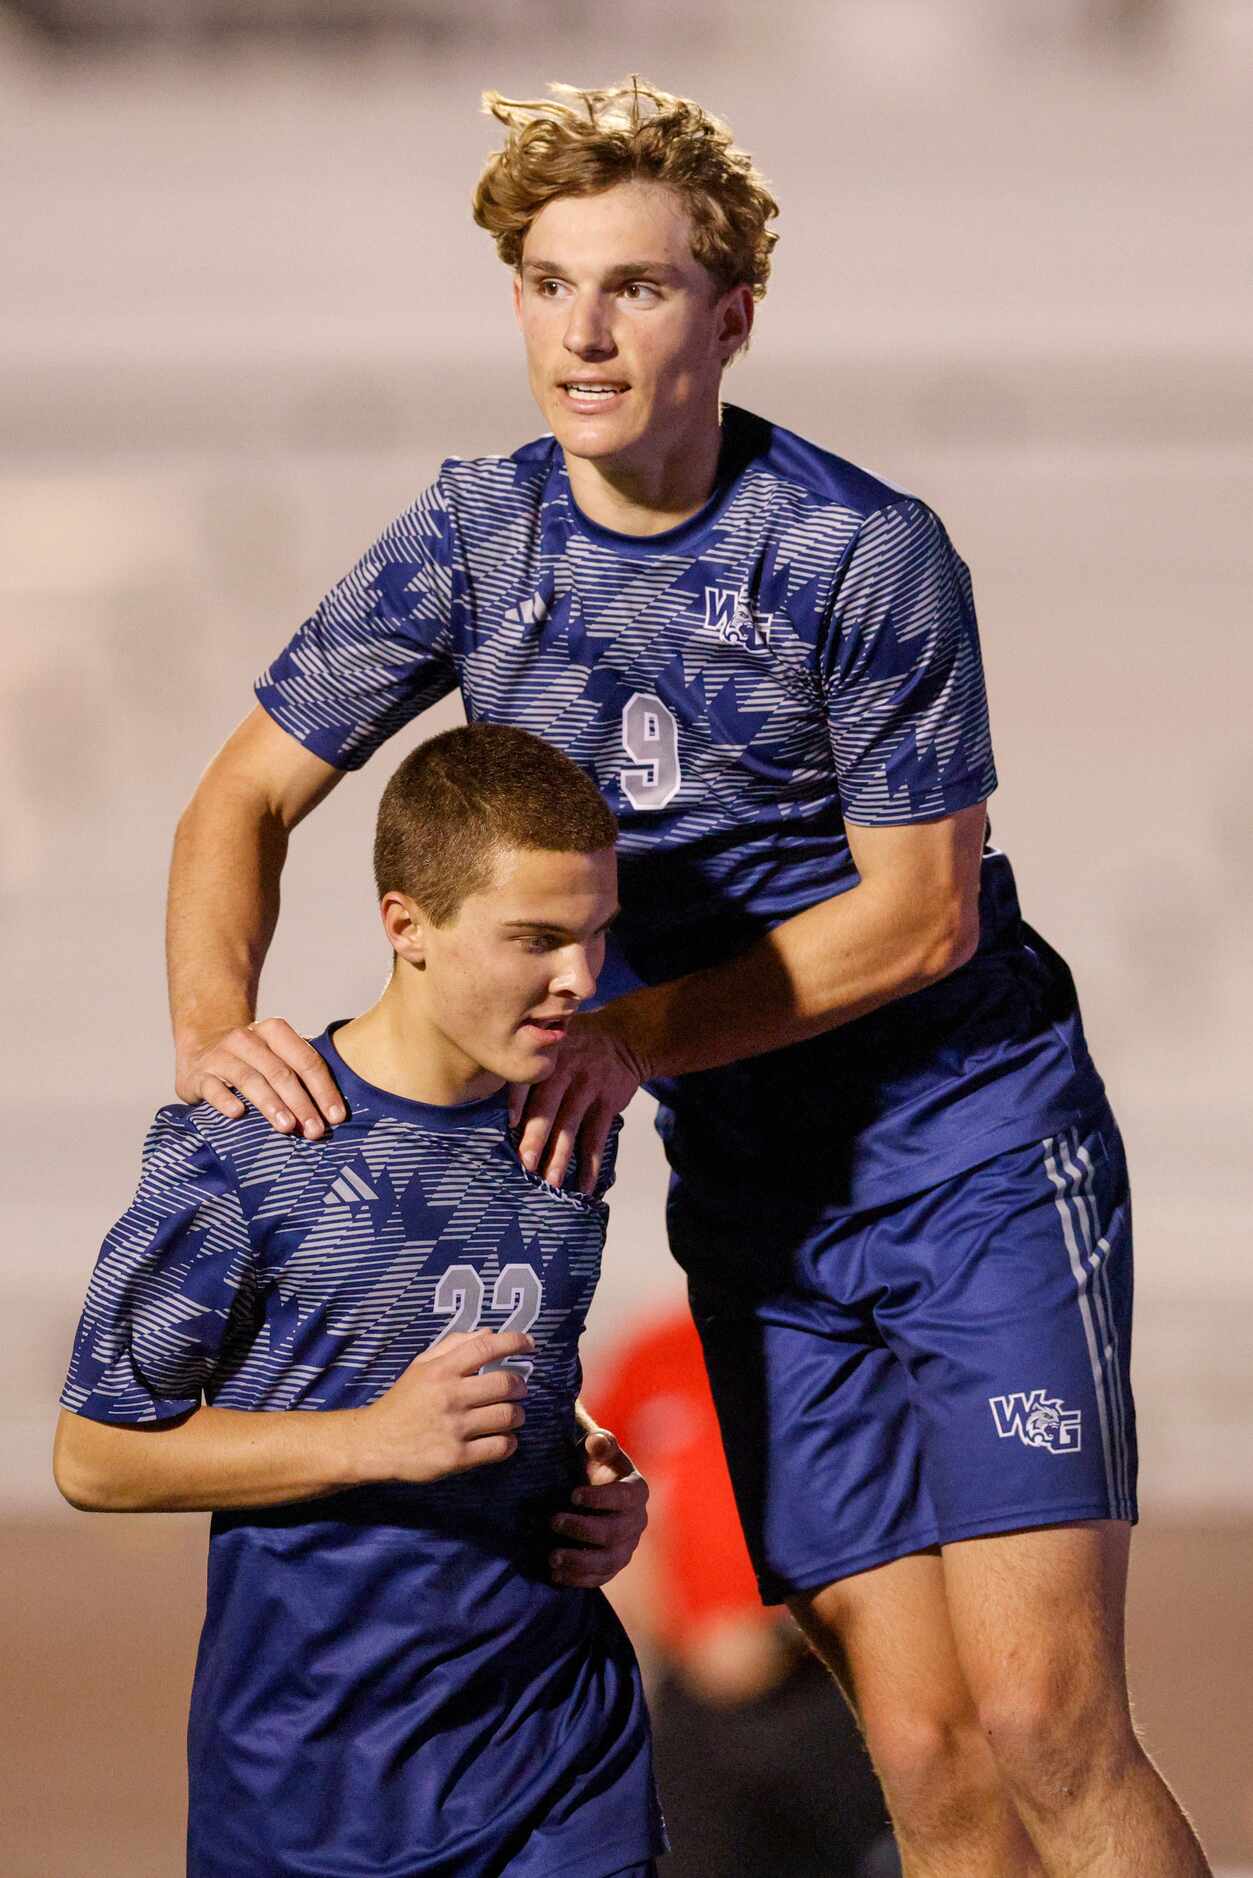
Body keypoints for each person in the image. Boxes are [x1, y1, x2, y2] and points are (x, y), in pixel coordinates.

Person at [164, 78, 1210, 1876]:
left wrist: (627, 1035)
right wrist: (213, 1037)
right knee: (924, 1751)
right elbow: (244, 792)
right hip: (754, 1200)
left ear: (728, 314)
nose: (582, 328)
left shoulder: (852, 549)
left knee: (1046, 1718)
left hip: (971, 1161)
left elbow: (918, 915)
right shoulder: (470, 538)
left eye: (635, 286)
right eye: (549, 281)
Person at [54, 723, 666, 1878]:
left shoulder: (571, 1119)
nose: (580, 979)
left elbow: (507, 1362)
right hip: (314, 1791)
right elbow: (93, 1455)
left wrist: (588, 1466)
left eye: (594, 934)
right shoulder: (252, 1146)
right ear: (406, 927)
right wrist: (371, 1442)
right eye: (535, 938)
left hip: (558, 1754)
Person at [591, 1306, 898, 1878]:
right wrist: (666, 1632)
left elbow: (883, 1505)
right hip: (694, 1689)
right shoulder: (657, 1353)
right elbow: (600, 1489)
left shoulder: (838, 1345)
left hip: (825, 1676)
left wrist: (781, 1633)